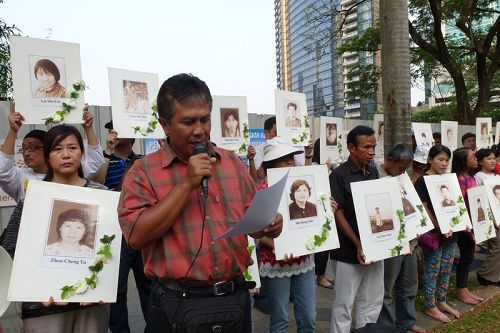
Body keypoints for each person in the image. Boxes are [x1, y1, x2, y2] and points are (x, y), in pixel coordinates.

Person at [117, 73, 283, 333]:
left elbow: (253, 224)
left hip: (234, 300)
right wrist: (186, 184)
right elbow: (136, 237)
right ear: (165, 124)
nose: (199, 130)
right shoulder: (143, 172)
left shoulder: (231, 163)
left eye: (205, 119)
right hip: (175, 305)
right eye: (188, 122)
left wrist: (269, 225)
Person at [0, 124, 109, 332]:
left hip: (92, 302)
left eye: (72, 148)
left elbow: (111, 247)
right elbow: (10, 249)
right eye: (57, 149)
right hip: (42, 305)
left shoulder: (101, 194)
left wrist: (107, 284)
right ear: (48, 157)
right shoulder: (33, 196)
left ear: (82, 153)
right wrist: (36, 285)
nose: (66, 154)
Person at [257, 136, 333, 333]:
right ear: (271, 164)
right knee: (280, 319)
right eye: (284, 158)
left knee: (308, 316)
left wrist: (327, 207)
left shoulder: (305, 188)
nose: (290, 161)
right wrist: (278, 246)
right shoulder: (262, 192)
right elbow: (255, 232)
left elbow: (314, 221)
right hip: (275, 262)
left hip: (304, 261)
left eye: (291, 157)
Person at [92, 121, 151, 333]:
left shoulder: (144, 161)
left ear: (133, 135)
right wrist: (107, 151)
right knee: (115, 290)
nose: (113, 132)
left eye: (119, 127)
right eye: (110, 129)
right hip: (112, 233)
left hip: (139, 230)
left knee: (149, 288)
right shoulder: (101, 159)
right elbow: (96, 185)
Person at [329, 125, 382, 333]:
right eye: (366, 147)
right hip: (347, 251)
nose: (372, 152)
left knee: (371, 300)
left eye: (374, 147)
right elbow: (338, 213)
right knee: (344, 303)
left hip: (374, 248)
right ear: (351, 147)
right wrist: (359, 244)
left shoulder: (374, 171)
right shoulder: (338, 175)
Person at [0, 104, 105, 203]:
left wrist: (88, 128)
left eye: (33, 147)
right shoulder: (20, 177)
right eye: (24, 149)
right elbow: (2, 170)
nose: (26, 153)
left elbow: (96, 161)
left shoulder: (72, 172)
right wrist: (13, 130)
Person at [375, 143, 425, 333]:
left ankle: (407, 322)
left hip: (410, 239)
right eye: (401, 167)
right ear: (389, 160)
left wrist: (418, 228)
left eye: (406, 168)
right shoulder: (374, 175)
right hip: (390, 241)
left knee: (409, 284)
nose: (403, 172)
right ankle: (387, 326)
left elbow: (410, 204)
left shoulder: (402, 176)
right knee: (386, 288)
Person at [414, 145, 460, 322]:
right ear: (430, 160)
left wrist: (461, 223)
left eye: (447, 160)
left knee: (447, 266)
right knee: (433, 268)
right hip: (435, 233)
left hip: (451, 231)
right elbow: (423, 207)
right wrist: (438, 226)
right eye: (440, 159)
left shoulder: (448, 179)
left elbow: (456, 204)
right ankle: (430, 305)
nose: (444, 163)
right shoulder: (422, 181)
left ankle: (442, 300)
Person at [451, 147, 483, 305]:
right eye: (473, 157)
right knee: (466, 256)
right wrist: (469, 227)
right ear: (463, 161)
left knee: (468, 256)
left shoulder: (471, 177)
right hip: (464, 225)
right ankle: (461, 291)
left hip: (473, 222)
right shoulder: (459, 180)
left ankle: (464, 289)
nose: (476, 158)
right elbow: (462, 205)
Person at [474, 148, 500, 286]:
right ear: (480, 162)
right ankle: (485, 273)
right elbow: (477, 199)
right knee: (496, 246)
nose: (493, 161)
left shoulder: (497, 177)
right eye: (489, 158)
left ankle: (495, 275)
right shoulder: (478, 177)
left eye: (494, 158)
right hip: (490, 218)